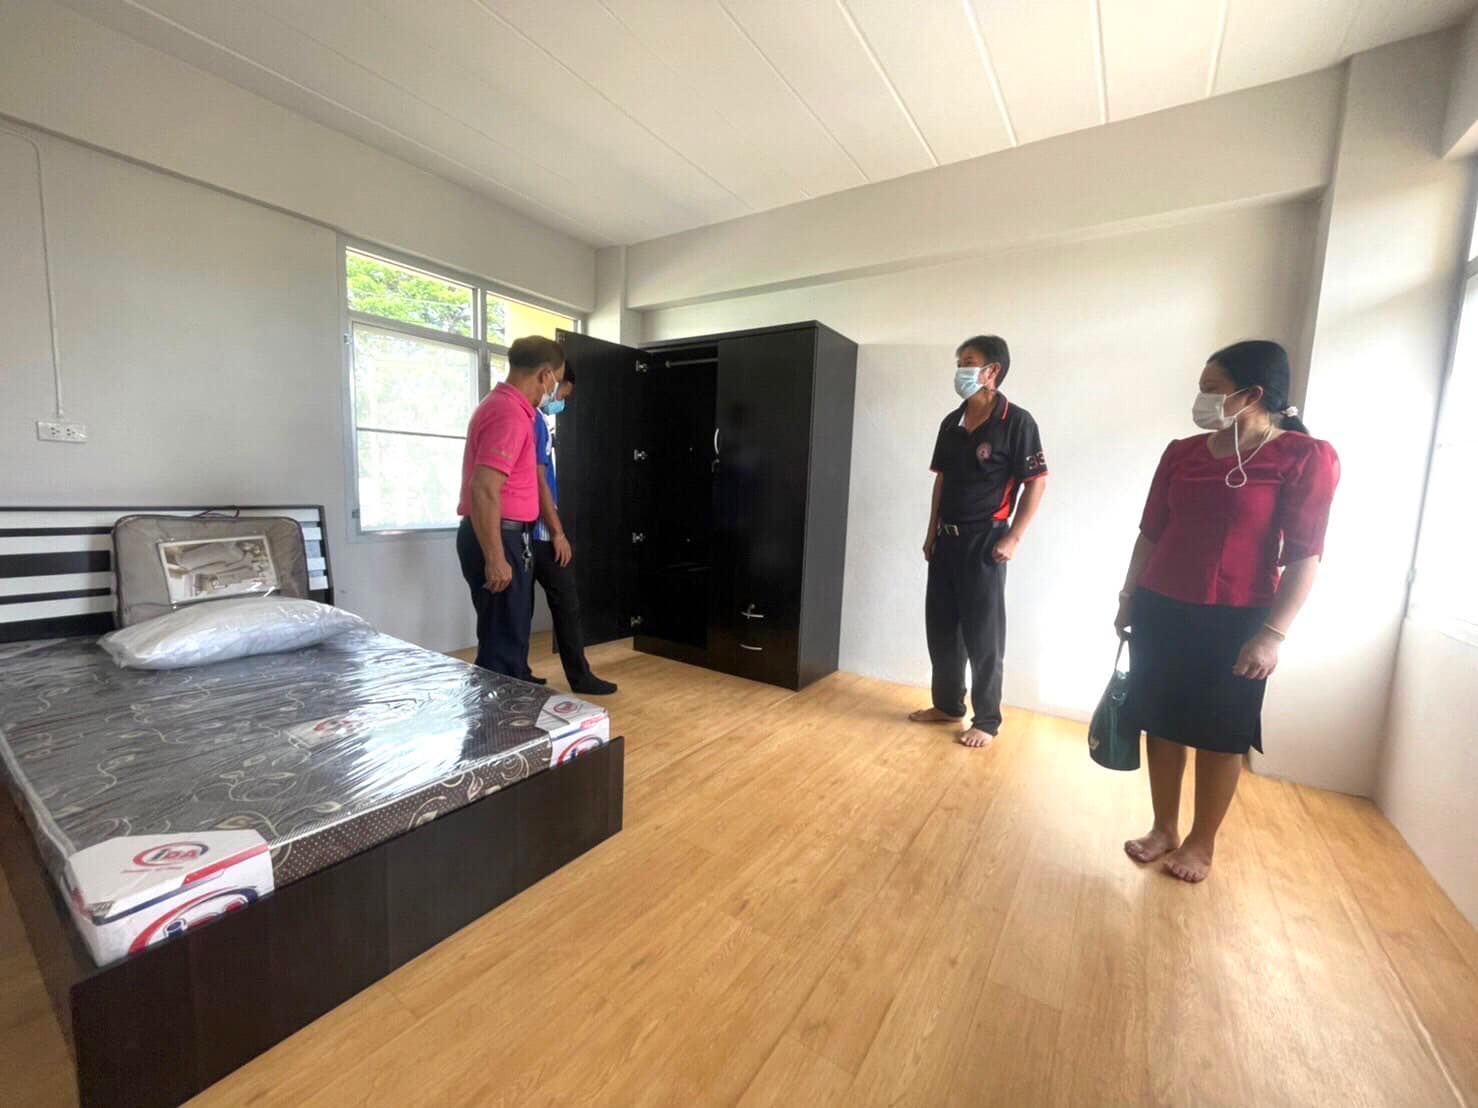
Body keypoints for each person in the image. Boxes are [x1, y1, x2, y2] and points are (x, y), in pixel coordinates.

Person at [1117, 340, 1339, 883]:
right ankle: (1163, 827)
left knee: (1221, 734)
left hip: (1239, 619)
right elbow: (1151, 534)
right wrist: (1128, 596)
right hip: (1162, 606)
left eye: (1212, 388)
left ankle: (1201, 842)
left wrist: (1272, 635)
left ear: (1252, 394)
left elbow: (1306, 556)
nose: (1202, 398)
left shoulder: (1303, 457)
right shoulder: (1182, 453)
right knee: (1160, 722)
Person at [909, 335, 1049, 749]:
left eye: (968, 362)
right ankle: (947, 705)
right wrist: (931, 532)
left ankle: (986, 720)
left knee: (983, 636)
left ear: (992, 371)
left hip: (986, 542)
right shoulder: (951, 423)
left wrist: (1014, 537)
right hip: (947, 540)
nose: (960, 370)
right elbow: (941, 481)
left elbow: (1036, 482)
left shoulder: (1016, 421)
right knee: (942, 630)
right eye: (958, 363)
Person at [455, 335, 564, 677]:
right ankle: (502, 709)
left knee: (507, 638)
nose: (554, 391)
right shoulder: (508, 414)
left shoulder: (506, 407)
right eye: (557, 381)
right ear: (545, 375)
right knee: (503, 646)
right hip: (499, 536)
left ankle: (509, 701)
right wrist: (495, 557)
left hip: (507, 535)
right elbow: (484, 487)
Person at [523, 364, 618, 695]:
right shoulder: (532, 420)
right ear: (551, 379)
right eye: (564, 392)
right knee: (565, 604)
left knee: (534, 607)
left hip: (531, 533)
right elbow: (538, 483)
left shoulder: (536, 420)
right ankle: (578, 677)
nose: (562, 399)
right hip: (539, 534)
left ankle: (526, 673)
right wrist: (557, 533)